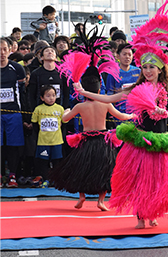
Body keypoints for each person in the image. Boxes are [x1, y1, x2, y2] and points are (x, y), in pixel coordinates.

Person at [75, 0, 168, 229]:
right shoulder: (136, 88)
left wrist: (165, 111)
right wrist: (86, 92)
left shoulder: (167, 87)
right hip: (140, 142)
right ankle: (141, 216)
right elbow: (112, 98)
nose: (148, 71)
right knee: (141, 180)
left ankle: (153, 212)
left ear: (160, 69)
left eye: (152, 67)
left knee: (159, 181)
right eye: (145, 68)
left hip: (161, 141)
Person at [52, 63, 133, 210]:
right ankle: (101, 201)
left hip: (86, 141)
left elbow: (65, 119)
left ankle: (81, 196)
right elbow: (121, 116)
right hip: (102, 141)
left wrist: (66, 111)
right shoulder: (105, 104)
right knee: (104, 170)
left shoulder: (80, 106)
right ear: (98, 89)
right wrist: (133, 115)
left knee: (81, 168)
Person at [1, 37, 27, 188]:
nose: (2, 53)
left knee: (13, 146)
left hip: (13, 113)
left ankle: (12, 176)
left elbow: (22, 93)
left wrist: (25, 116)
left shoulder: (17, 68)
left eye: (4, 49)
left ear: (10, 50)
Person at [31, 85, 65, 188]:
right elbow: (34, 124)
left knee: (56, 162)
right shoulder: (38, 109)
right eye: (48, 96)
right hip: (43, 142)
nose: (51, 98)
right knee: (43, 162)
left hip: (57, 142)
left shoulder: (60, 109)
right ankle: (45, 179)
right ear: (42, 98)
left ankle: (56, 180)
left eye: (53, 95)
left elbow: (64, 122)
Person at [104, 43, 140, 123]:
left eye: (129, 54)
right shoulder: (113, 73)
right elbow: (109, 93)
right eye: (124, 54)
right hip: (119, 113)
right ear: (118, 56)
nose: (127, 57)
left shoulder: (138, 71)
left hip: (136, 113)